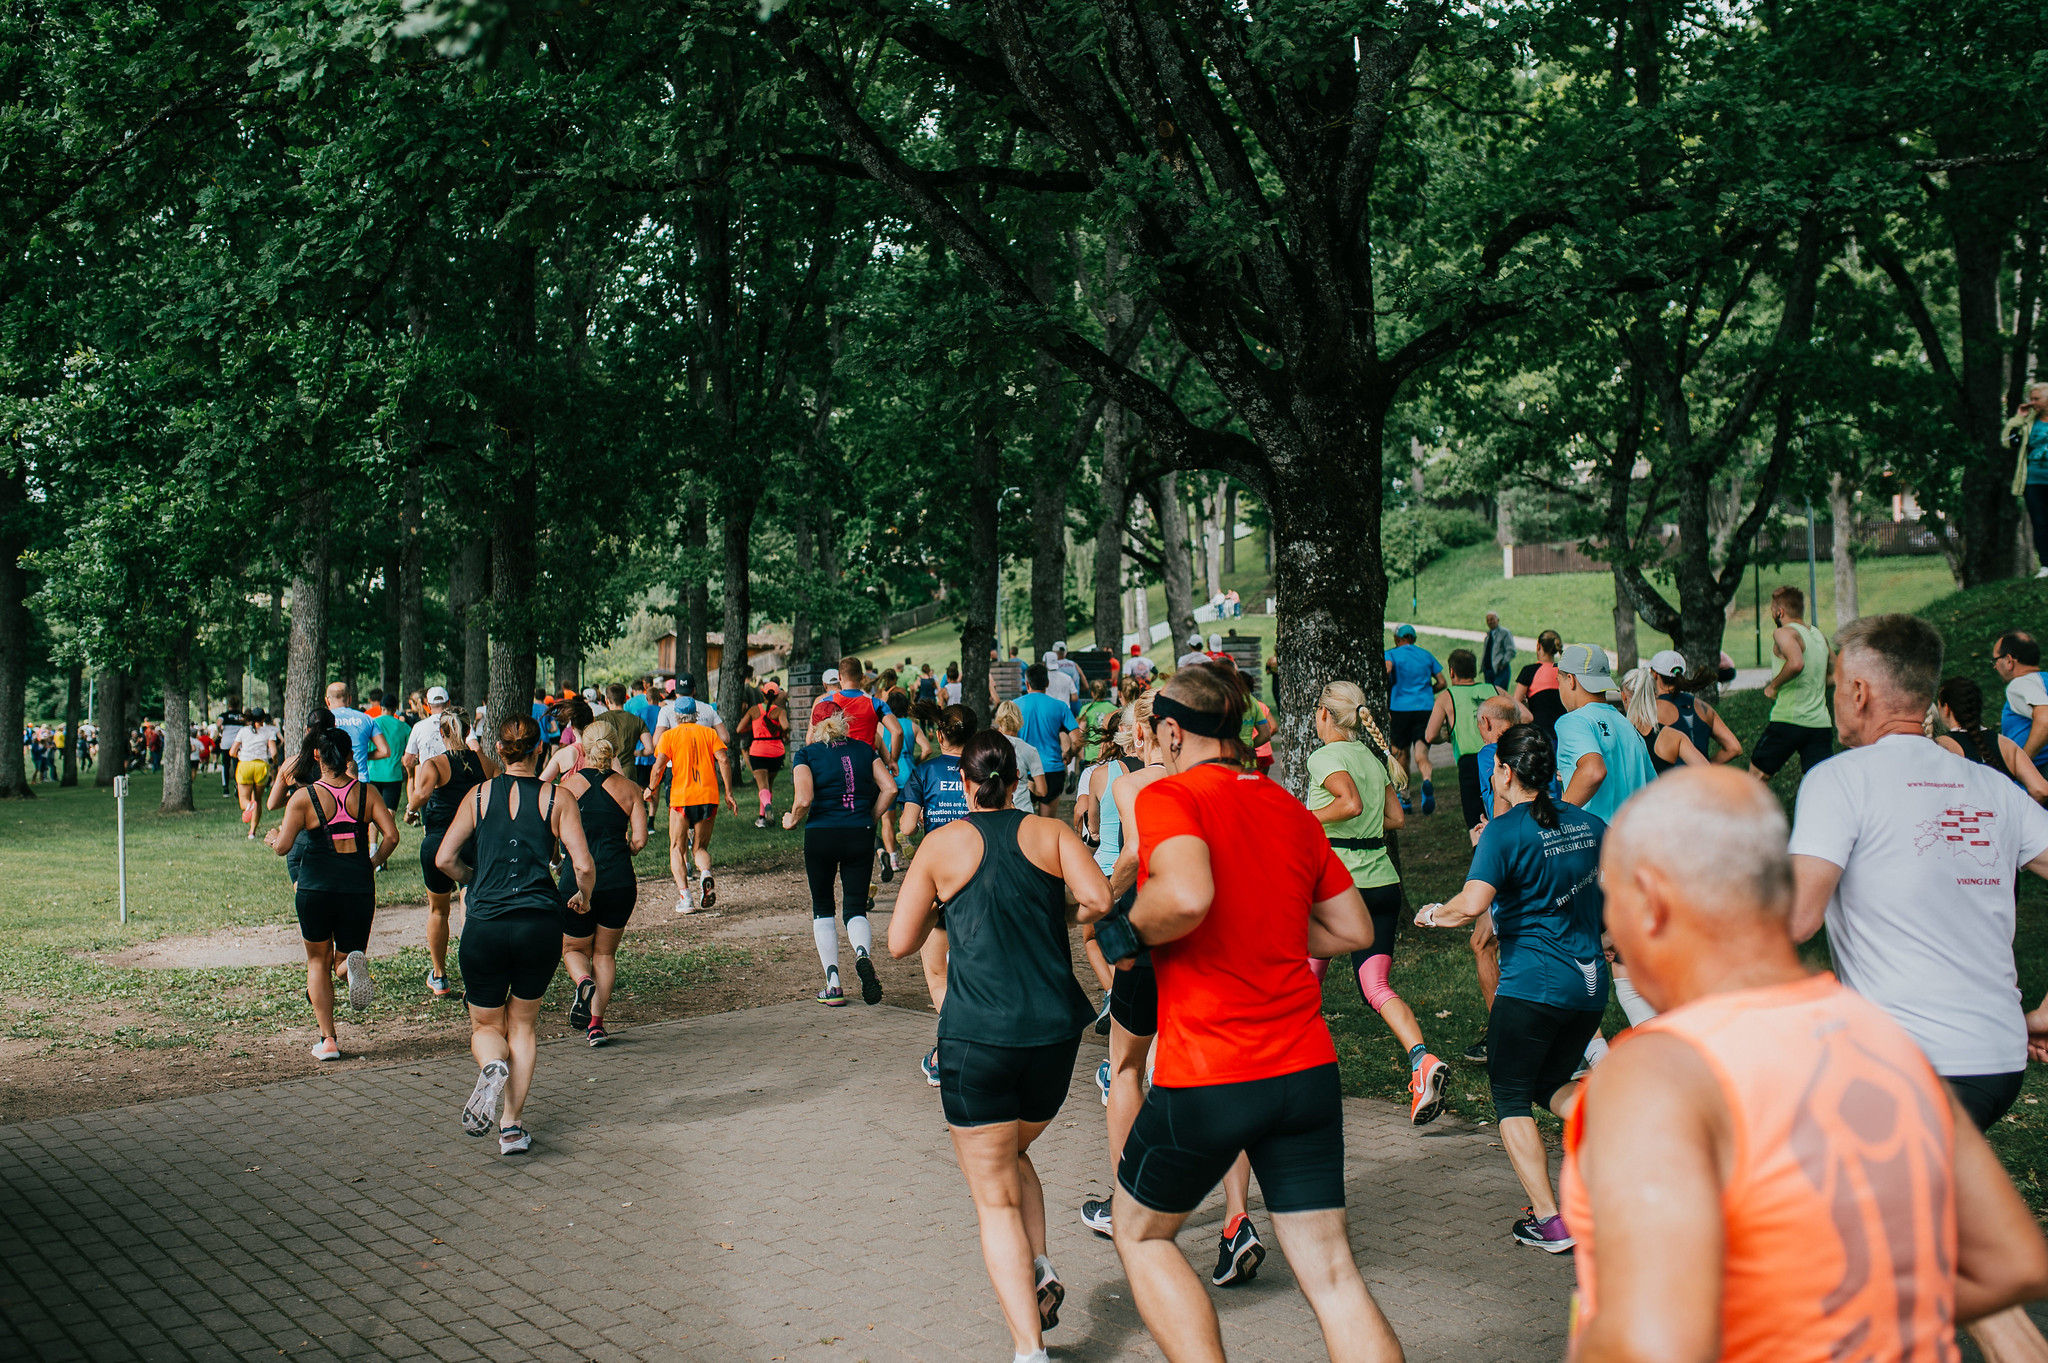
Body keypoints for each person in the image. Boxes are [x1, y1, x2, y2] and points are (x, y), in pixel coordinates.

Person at [1565, 765, 2048, 1363]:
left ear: (1652, 898)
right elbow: (2014, 1261)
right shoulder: (1882, 1034)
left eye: (1608, 901)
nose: (1608, 929)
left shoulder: (1659, 1073)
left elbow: (1655, 1345)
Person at [1089, 666, 1401, 1363]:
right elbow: (1351, 927)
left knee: (1139, 1232)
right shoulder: (1289, 807)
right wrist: (1265, 927)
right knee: (1334, 1275)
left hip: (1212, 1073)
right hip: (1307, 1070)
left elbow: (1189, 895)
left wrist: (1120, 931)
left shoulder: (1172, 795)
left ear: (1170, 731)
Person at [888, 730, 1110, 1361]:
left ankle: (1028, 1350)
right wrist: (1054, 912)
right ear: (1016, 780)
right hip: (1054, 1036)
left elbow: (900, 943)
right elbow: (1099, 899)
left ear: (963, 785)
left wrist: (945, 906)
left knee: (993, 1198)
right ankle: (1039, 1267)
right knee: (1011, 1155)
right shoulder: (1052, 832)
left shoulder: (941, 844)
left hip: (978, 1039)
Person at [1790, 613, 2048, 1133]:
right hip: (1996, 1060)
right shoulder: (1992, 786)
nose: (1835, 699)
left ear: (1859, 692)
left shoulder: (1838, 779)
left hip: (1904, 1062)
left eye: (1837, 687)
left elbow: (1795, 920)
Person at [1417, 724, 1608, 1252]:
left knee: (1509, 1097)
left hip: (1532, 989)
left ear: (1504, 772)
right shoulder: (1592, 824)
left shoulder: (1504, 832)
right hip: (1589, 987)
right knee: (1550, 1084)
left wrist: (1434, 914)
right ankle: (1621, 1125)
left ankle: (1550, 1221)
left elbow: (1471, 905)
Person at [434, 716, 595, 1154]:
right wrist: (582, 896)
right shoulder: (557, 797)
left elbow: (445, 857)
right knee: (522, 1025)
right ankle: (510, 1127)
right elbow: (581, 864)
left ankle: (491, 1065)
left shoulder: (478, 794)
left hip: (484, 925)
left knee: (486, 1023)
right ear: (539, 751)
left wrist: (473, 879)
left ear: (500, 751)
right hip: (538, 926)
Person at [1309, 680, 1448, 1125]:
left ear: (1326, 714)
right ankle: (1422, 1061)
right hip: (1383, 884)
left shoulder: (1325, 756)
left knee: (1303, 984)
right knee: (1376, 988)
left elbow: (1348, 804)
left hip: (1337, 887)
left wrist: (1302, 818)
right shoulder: (1370, 756)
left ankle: (1297, 1077)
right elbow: (1396, 818)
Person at [264, 722, 401, 1061]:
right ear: (350, 755)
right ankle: (349, 970)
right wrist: (371, 863)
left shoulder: (303, 798)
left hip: (316, 887)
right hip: (356, 887)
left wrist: (270, 839)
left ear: (317, 757)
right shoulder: (367, 794)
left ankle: (328, 1041)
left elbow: (283, 848)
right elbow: (392, 836)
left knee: (316, 961)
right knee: (344, 957)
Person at [785, 708, 898, 1006]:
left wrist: (792, 820)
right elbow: (890, 788)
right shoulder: (864, 749)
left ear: (815, 725)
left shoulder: (806, 755)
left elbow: (804, 799)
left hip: (822, 834)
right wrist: (870, 817)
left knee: (823, 907)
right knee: (855, 908)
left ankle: (833, 984)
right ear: (843, 722)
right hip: (859, 833)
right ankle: (862, 954)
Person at [556, 724, 648, 1047]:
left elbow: (554, 835)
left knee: (573, 948)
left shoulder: (566, 788)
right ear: (615, 747)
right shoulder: (630, 789)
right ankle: (596, 1026)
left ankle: (583, 980)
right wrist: (628, 847)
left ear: (583, 745)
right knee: (605, 954)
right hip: (618, 881)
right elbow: (639, 840)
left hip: (577, 880)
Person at [901, 702, 978, 1082]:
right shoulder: (980, 769)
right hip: (979, 875)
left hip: (937, 882)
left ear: (939, 734)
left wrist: (915, 816)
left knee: (937, 974)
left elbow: (907, 827)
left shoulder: (924, 771)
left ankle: (952, 1049)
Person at [406, 708, 492, 998]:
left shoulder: (435, 765)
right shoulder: (484, 762)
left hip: (439, 845)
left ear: (441, 733)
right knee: (472, 907)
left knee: (439, 910)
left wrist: (409, 810)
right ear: (468, 731)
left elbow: (420, 795)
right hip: (475, 843)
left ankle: (440, 976)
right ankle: (476, 977)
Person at [646, 698, 737, 914]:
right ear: (696, 715)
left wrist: (651, 788)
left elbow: (659, 768)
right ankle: (705, 873)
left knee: (677, 848)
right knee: (700, 848)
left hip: (681, 799)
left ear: (676, 716)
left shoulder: (669, 736)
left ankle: (686, 899)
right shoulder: (709, 734)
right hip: (708, 797)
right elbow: (724, 760)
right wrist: (729, 793)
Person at [1553, 644, 1655, 824]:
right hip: (1631, 839)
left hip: (1595, 842)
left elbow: (1593, 771)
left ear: (1571, 680)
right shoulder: (1628, 725)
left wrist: (1558, 818)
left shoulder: (1572, 722)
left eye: (1558, 681)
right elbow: (1655, 788)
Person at [1751, 585, 1835, 784]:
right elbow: (1837, 675)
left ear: (1779, 612)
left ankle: (1748, 816)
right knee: (1820, 784)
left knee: (1755, 779)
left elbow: (1796, 663)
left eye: (1773, 609)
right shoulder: (1818, 636)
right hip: (1820, 724)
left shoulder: (1784, 633)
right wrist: (1814, 683)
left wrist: (1773, 686)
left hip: (1788, 721)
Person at [1937, 676, 2048, 801]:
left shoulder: (1942, 745)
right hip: (2006, 818)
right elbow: (2041, 790)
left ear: (1946, 708)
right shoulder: (2007, 745)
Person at [1424, 647, 1498, 829]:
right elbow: (1526, 716)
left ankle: (1480, 854)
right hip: (1499, 756)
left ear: (1451, 671)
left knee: (1476, 820)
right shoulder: (1493, 689)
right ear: (1474, 669)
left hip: (1470, 764)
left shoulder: (1447, 696)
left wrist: (1448, 736)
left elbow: (1430, 735)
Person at [1382, 623, 1444, 811]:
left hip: (1400, 708)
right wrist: (1427, 691)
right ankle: (1426, 780)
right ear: (1414, 639)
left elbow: (1388, 669)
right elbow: (1442, 682)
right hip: (1424, 707)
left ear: (1397, 639)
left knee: (1401, 753)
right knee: (1421, 753)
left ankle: (1406, 798)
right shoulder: (1426, 655)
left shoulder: (1391, 654)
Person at [1643, 650, 1742, 764]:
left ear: (1655, 674)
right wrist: (1706, 768)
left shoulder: (1651, 710)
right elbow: (1734, 748)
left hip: (1670, 780)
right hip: (1701, 779)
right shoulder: (1704, 708)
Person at [1618, 664, 1709, 774]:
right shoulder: (1673, 737)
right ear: (1655, 695)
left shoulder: (1615, 734)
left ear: (1623, 696)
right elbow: (1708, 773)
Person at [1016, 663, 1078, 812]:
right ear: (1047, 683)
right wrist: (1069, 754)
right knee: (1047, 824)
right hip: (1052, 770)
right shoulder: (1060, 706)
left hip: (1023, 770)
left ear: (1027, 684)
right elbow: (1078, 739)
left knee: (1022, 824)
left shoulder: (1014, 706)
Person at [2004, 380, 2048, 577]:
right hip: (2033, 481)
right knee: (2039, 522)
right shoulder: (2029, 422)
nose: (2032, 403)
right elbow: (2007, 442)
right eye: (2031, 399)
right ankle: (2046, 565)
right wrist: (2018, 418)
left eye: (2036, 398)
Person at [1993, 629, 2048, 775]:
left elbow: (2045, 719)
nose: (1994, 666)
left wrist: (2022, 764)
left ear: (2009, 660)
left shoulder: (2019, 684)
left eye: (1995, 660)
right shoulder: (2044, 679)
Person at [736, 685, 789, 826]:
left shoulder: (753, 710)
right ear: (777, 696)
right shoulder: (780, 711)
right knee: (768, 785)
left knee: (762, 786)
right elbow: (786, 727)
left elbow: (739, 728)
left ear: (762, 694)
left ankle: (766, 808)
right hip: (776, 751)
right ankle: (762, 817)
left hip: (758, 750)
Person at [365, 703, 411, 862]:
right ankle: (383, 854)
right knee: (389, 813)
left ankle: (373, 849)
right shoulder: (403, 726)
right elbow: (409, 750)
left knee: (372, 814)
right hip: (393, 775)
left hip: (374, 773)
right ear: (394, 709)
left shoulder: (372, 722)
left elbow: (367, 746)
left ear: (382, 708)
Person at [1511, 629, 1566, 748]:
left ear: (1539, 646)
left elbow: (1516, 703)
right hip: (1564, 733)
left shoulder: (1529, 671)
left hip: (1540, 734)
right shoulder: (1564, 672)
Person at [324, 681, 391, 776]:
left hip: (332, 781)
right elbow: (385, 751)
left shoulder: (325, 719)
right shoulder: (366, 718)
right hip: (360, 780)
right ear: (350, 699)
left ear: (327, 701)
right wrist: (363, 755)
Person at [992, 700, 1048, 813]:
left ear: (999, 720)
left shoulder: (989, 746)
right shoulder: (1029, 750)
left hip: (995, 810)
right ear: (1020, 720)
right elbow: (1042, 791)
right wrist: (1029, 784)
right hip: (1022, 811)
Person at [233, 708, 280, 839]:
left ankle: (248, 805)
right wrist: (275, 762)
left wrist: (239, 755)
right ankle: (252, 832)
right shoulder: (269, 731)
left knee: (244, 799)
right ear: (263, 719)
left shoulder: (243, 731)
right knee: (258, 800)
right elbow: (274, 752)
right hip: (261, 766)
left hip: (245, 765)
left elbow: (232, 751)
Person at [402, 686, 451, 778]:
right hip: (455, 779)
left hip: (428, 780)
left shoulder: (418, 727)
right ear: (448, 703)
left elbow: (407, 761)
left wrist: (420, 760)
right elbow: (475, 747)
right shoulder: (459, 723)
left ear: (428, 705)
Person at [1481, 611, 1516, 692]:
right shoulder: (1488, 635)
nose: (1490, 622)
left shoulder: (1504, 633)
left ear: (1498, 620)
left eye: (1492, 619)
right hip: (1488, 670)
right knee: (1490, 695)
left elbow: (1511, 651)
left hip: (1500, 670)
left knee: (1499, 694)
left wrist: (1502, 663)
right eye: (1488, 620)